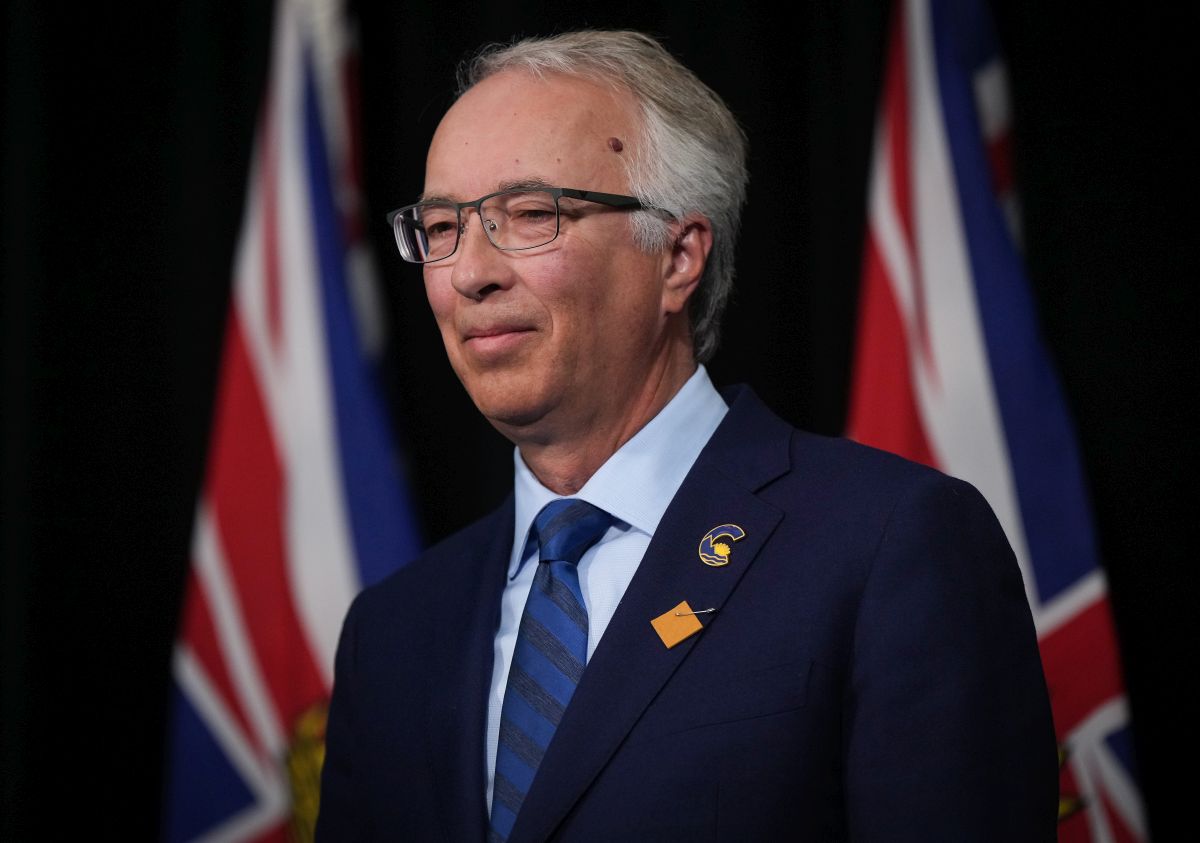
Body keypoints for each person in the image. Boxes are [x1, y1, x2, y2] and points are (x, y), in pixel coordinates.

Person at [316, 30, 1057, 842]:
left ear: (677, 255)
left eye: (529, 214)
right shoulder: (391, 632)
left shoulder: (890, 546)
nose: (469, 273)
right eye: (443, 226)